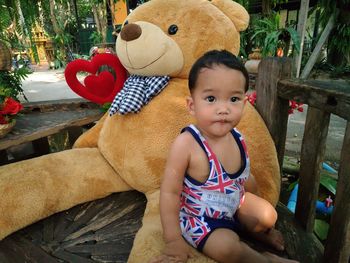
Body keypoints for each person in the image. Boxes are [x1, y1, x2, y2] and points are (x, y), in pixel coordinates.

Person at [152, 50, 298, 263]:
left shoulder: (238, 137)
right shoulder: (188, 143)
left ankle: (253, 233)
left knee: (268, 215)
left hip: (233, 207)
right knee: (227, 248)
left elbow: (245, 180)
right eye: (211, 98)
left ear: (244, 103)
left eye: (233, 99)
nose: (223, 109)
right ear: (192, 106)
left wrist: (257, 220)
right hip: (201, 220)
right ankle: (265, 260)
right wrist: (173, 240)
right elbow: (170, 193)